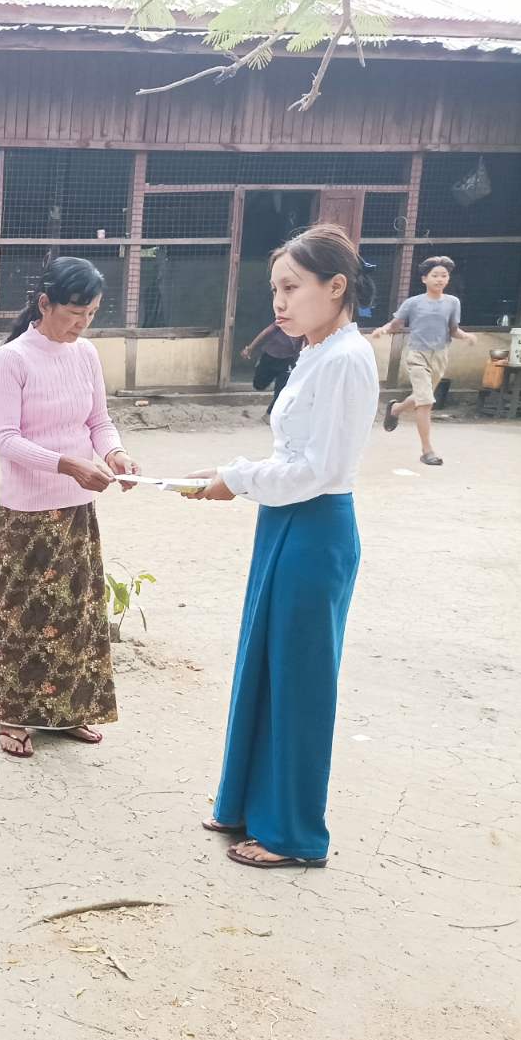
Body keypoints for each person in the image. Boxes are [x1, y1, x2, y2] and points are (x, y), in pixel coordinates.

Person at [183, 224, 380, 869]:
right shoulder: (316, 351)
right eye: (275, 288)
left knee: (298, 679)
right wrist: (233, 475)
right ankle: (246, 803)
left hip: (315, 526)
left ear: (336, 286)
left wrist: (235, 479)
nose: (279, 301)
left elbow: (317, 470)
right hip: (284, 522)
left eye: (292, 287)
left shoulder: (347, 358)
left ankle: (293, 834)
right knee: (262, 661)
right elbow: (292, 455)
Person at [0, 257, 138, 760]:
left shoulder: (86, 354)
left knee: (77, 614)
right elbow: (7, 440)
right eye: (74, 313)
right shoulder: (11, 360)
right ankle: (14, 714)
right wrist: (68, 465)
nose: (82, 324)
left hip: (78, 509)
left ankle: (67, 710)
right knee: (23, 614)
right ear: (44, 303)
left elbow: (98, 421)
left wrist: (115, 454)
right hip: (28, 514)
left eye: (91, 314)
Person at [373, 255, 476, 466]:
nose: (440, 279)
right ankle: (427, 450)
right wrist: (382, 330)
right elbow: (396, 324)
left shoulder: (452, 302)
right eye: (435, 275)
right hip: (417, 355)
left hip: (440, 356)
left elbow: (453, 330)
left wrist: (466, 336)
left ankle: (396, 409)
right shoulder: (413, 303)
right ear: (424, 279)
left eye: (444, 275)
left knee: (422, 396)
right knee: (426, 401)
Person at [241, 319, 304, 417]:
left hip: (288, 360)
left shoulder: (306, 326)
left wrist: (301, 362)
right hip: (270, 356)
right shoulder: (284, 320)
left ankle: (269, 414)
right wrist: (249, 348)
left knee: (282, 391)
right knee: (259, 385)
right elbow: (265, 333)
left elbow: (305, 344)